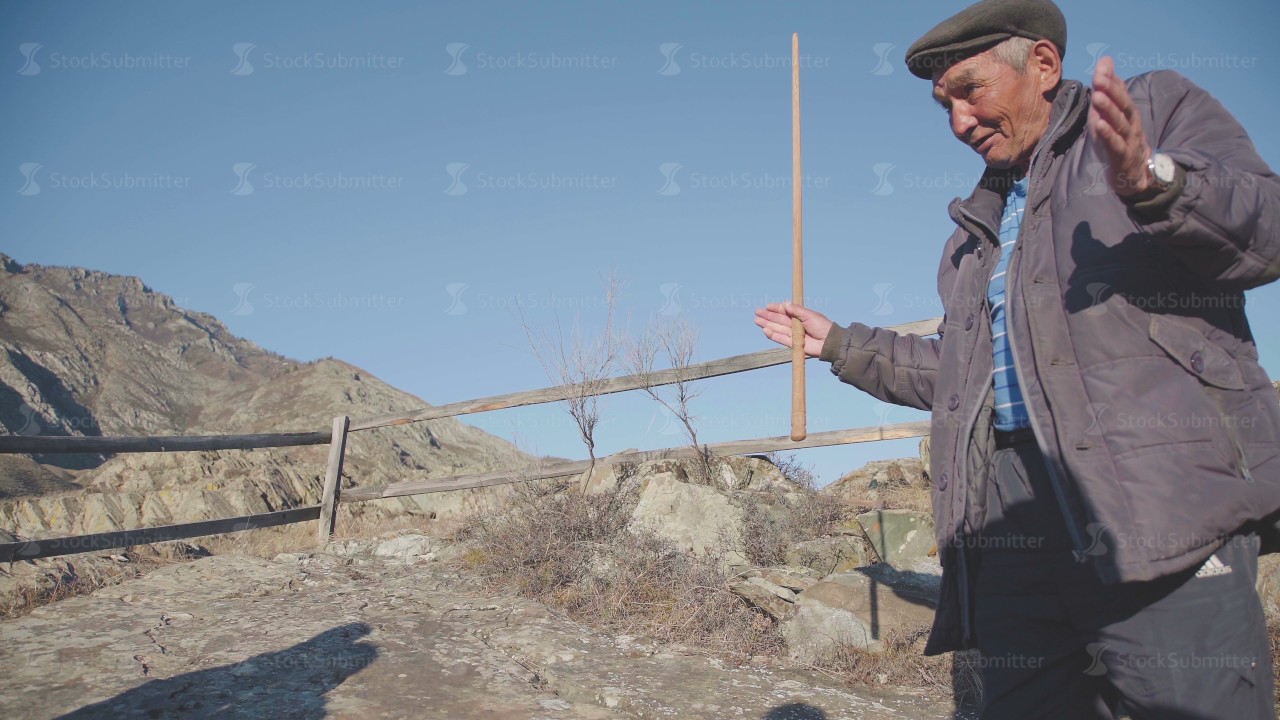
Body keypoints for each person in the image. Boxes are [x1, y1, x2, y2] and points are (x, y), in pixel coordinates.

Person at [754, 0, 1280, 716]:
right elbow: (962, 377)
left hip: (1162, 520)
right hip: (1013, 535)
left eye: (968, 91)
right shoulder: (974, 233)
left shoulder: (1153, 109)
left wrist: (1154, 179)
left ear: (1042, 64)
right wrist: (843, 346)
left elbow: (1266, 229)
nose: (958, 123)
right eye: (943, 105)